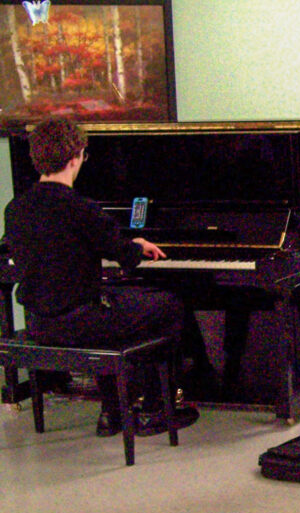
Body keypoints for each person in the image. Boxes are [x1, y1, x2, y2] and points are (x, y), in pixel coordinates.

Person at [3, 117, 200, 437]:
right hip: (82, 323)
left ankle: (112, 411)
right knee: (168, 305)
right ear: (75, 157)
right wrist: (137, 245)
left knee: (111, 306)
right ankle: (155, 410)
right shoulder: (80, 207)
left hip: (41, 323)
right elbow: (125, 257)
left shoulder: (15, 209)